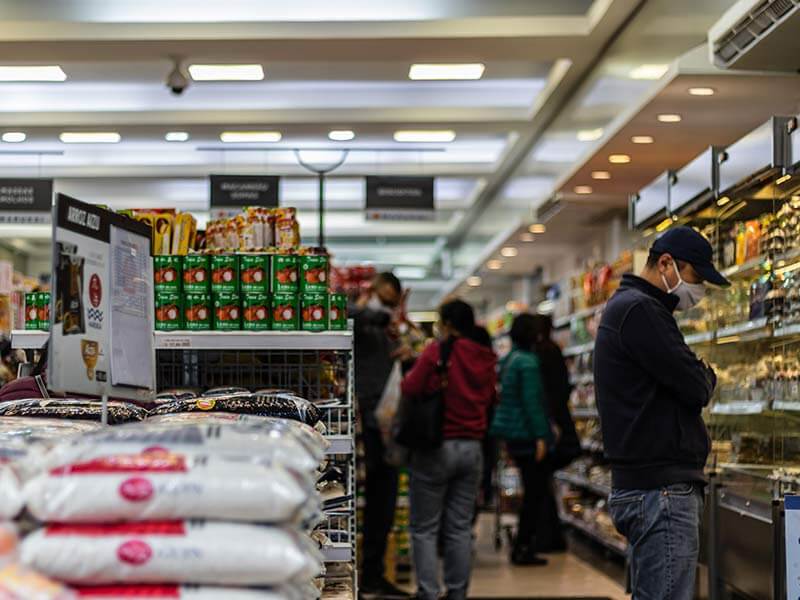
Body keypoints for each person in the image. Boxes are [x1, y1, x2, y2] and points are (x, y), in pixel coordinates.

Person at [594, 226, 729, 600]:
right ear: (667, 263)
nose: (697, 291)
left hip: (647, 487)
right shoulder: (642, 311)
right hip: (661, 491)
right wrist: (704, 373)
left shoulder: (632, 308)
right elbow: (696, 385)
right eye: (696, 278)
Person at [401, 299, 497, 600]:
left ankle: (428, 592)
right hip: (473, 449)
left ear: (448, 324)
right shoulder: (486, 356)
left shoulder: (439, 350)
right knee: (458, 528)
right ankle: (457, 593)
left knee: (425, 528)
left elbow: (409, 387)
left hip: (437, 446)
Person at [350, 272, 411, 599]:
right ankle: (369, 575)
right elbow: (347, 313)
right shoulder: (363, 312)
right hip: (366, 418)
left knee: (383, 496)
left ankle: (374, 573)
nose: (394, 297)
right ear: (377, 286)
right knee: (377, 493)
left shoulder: (387, 323)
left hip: (386, 418)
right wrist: (381, 313)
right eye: (391, 291)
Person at [490, 313, 551, 566]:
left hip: (509, 431)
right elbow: (532, 403)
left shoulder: (509, 359)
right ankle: (523, 547)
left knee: (531, 490)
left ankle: (521, 544)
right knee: (535, 492)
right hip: (526, 433)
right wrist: (541, 436)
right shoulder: (527, 362)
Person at [530, 314, 579, 553]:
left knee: (539, 483)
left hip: (549, 427)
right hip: (561, 423)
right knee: (543, 483)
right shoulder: (554, 352)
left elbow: (542, 393)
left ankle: (545, 536)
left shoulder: (537, 355)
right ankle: (550, 535)